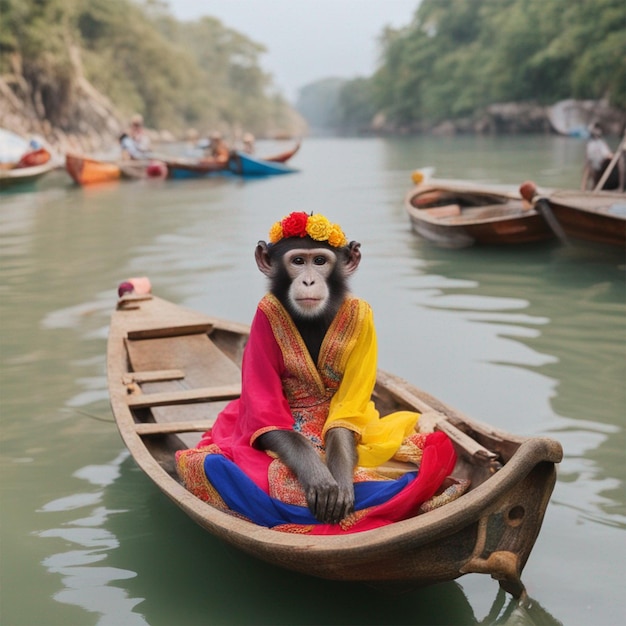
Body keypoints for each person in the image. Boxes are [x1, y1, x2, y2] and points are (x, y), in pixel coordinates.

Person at [175, 212, 465, 534]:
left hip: (347, 427)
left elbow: (352, 402)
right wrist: (312, 470)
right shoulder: (269, 314)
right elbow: (262, 406)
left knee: (409, 465)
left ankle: (346, 501)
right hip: (279, 427)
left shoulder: (359, 315)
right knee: (215, 468)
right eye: (297, 262)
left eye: (320, 263)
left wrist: (340, 477)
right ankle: (371, 505)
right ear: (266, 261)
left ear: (350, 261)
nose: (309, 279)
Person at [581, 123, 621, 190]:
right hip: (594, 166)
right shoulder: (593, 143)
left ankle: (586, 190)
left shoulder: (598, 143)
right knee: (588, 170)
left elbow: (607, 154)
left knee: (588, 171)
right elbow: (608, 155)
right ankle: (585, 189)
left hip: (596, 165)